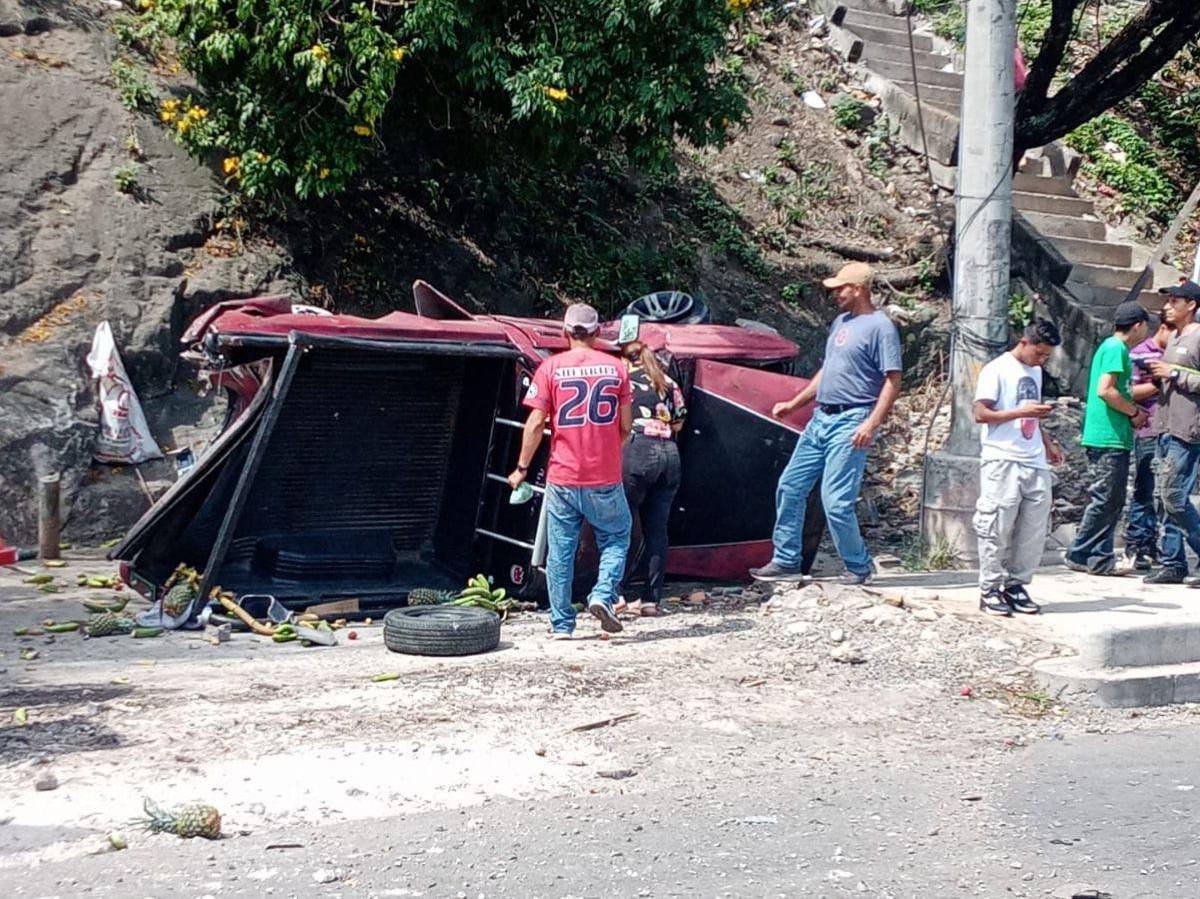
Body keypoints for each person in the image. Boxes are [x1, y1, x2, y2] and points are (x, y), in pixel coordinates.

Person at [750, 261, 902, 586]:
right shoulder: (840, 323)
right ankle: (787, 560)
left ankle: (858, 566)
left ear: (859, 289)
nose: (834, 294)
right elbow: (827, 370)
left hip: (853, 419)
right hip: (821, 418)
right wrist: (794, 404)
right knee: (790, 486)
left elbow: (893, 380)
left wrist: (871, 424)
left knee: (836, 500)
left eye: (840, 288)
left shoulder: (881, 327)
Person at [508, 303, 633, 637]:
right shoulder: (617, 369)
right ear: (597, 334)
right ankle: (603, 595)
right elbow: (625, 427)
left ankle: (562, 624)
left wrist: (521, 468)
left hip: (562, 476)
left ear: (564, 332)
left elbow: (535, 423)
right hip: (604, 476)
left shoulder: (550, 368)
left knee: (560, 549)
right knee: (617, 536)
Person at [972, 319, 1065, 616]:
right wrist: (1019, 412)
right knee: (996, 526)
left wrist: (1047, 441)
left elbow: (1032, 413)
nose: (1042, 360)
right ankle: (989, 588)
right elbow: (981, 413)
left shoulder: (1035, 372)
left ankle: (1016, 585)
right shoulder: (996, 369)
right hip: (1003, 458)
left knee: (1033, 529)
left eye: (1047, 356)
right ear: (1024, 342)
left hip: (1033, 458)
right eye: (1039, 353)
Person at [1064, 302, 1150, 575]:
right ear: (1137, 325)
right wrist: (1134, 412)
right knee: (1107, 498)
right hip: (1107, 435)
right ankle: (1088, 554)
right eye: (1146, 326)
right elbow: (1106, 391)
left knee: (1110, 498)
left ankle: (1089, 554)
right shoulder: (1116, 349)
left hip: (1113, 434)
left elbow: (1118, 391)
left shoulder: (1114, 348)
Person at [616, 332, 687, 617]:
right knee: (657, 529)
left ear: (624, 359)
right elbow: (680, 421)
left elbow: (619, 420)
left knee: (622, 524)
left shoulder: (624, 381)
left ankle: (615, 594)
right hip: (669, 453)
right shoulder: (668, 382)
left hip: (638, 449)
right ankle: (650, 600)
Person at [1146, 281, 1200, 585]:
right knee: (1160, 496)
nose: (1167, 305)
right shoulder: (1173, 338)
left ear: (1191, 305)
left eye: (1174, 300)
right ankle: (1172, 561)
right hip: (1164, 426)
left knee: (1174, 496)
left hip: (1186, 428)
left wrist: (1175, 374)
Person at [1121, 310, 1174, 572]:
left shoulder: (1177, 355)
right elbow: (1128, 392)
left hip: (1171, 430)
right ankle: (1138, 543)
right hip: (1149, 429)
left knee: (1166, 492)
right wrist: (1161, 382)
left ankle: (1155, 544)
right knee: (1145, 489)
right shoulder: (1140, 353)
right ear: (1164, 328)